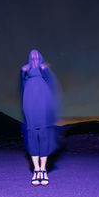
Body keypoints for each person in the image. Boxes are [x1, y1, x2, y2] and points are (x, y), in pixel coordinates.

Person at [20, 49, 61, 186]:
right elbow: (22, 86)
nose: (35, 56)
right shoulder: (25, 70)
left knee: (43, 134)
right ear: (29, 57)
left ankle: (43, 170)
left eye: (37, 54)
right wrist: (23, 72)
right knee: (32, 134)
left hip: (42, 102)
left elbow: (51, 85)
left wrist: (46, 70)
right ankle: (36, 170)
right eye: (32, 54)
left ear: (41, 57)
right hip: (29, 102)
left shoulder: (44, 69)